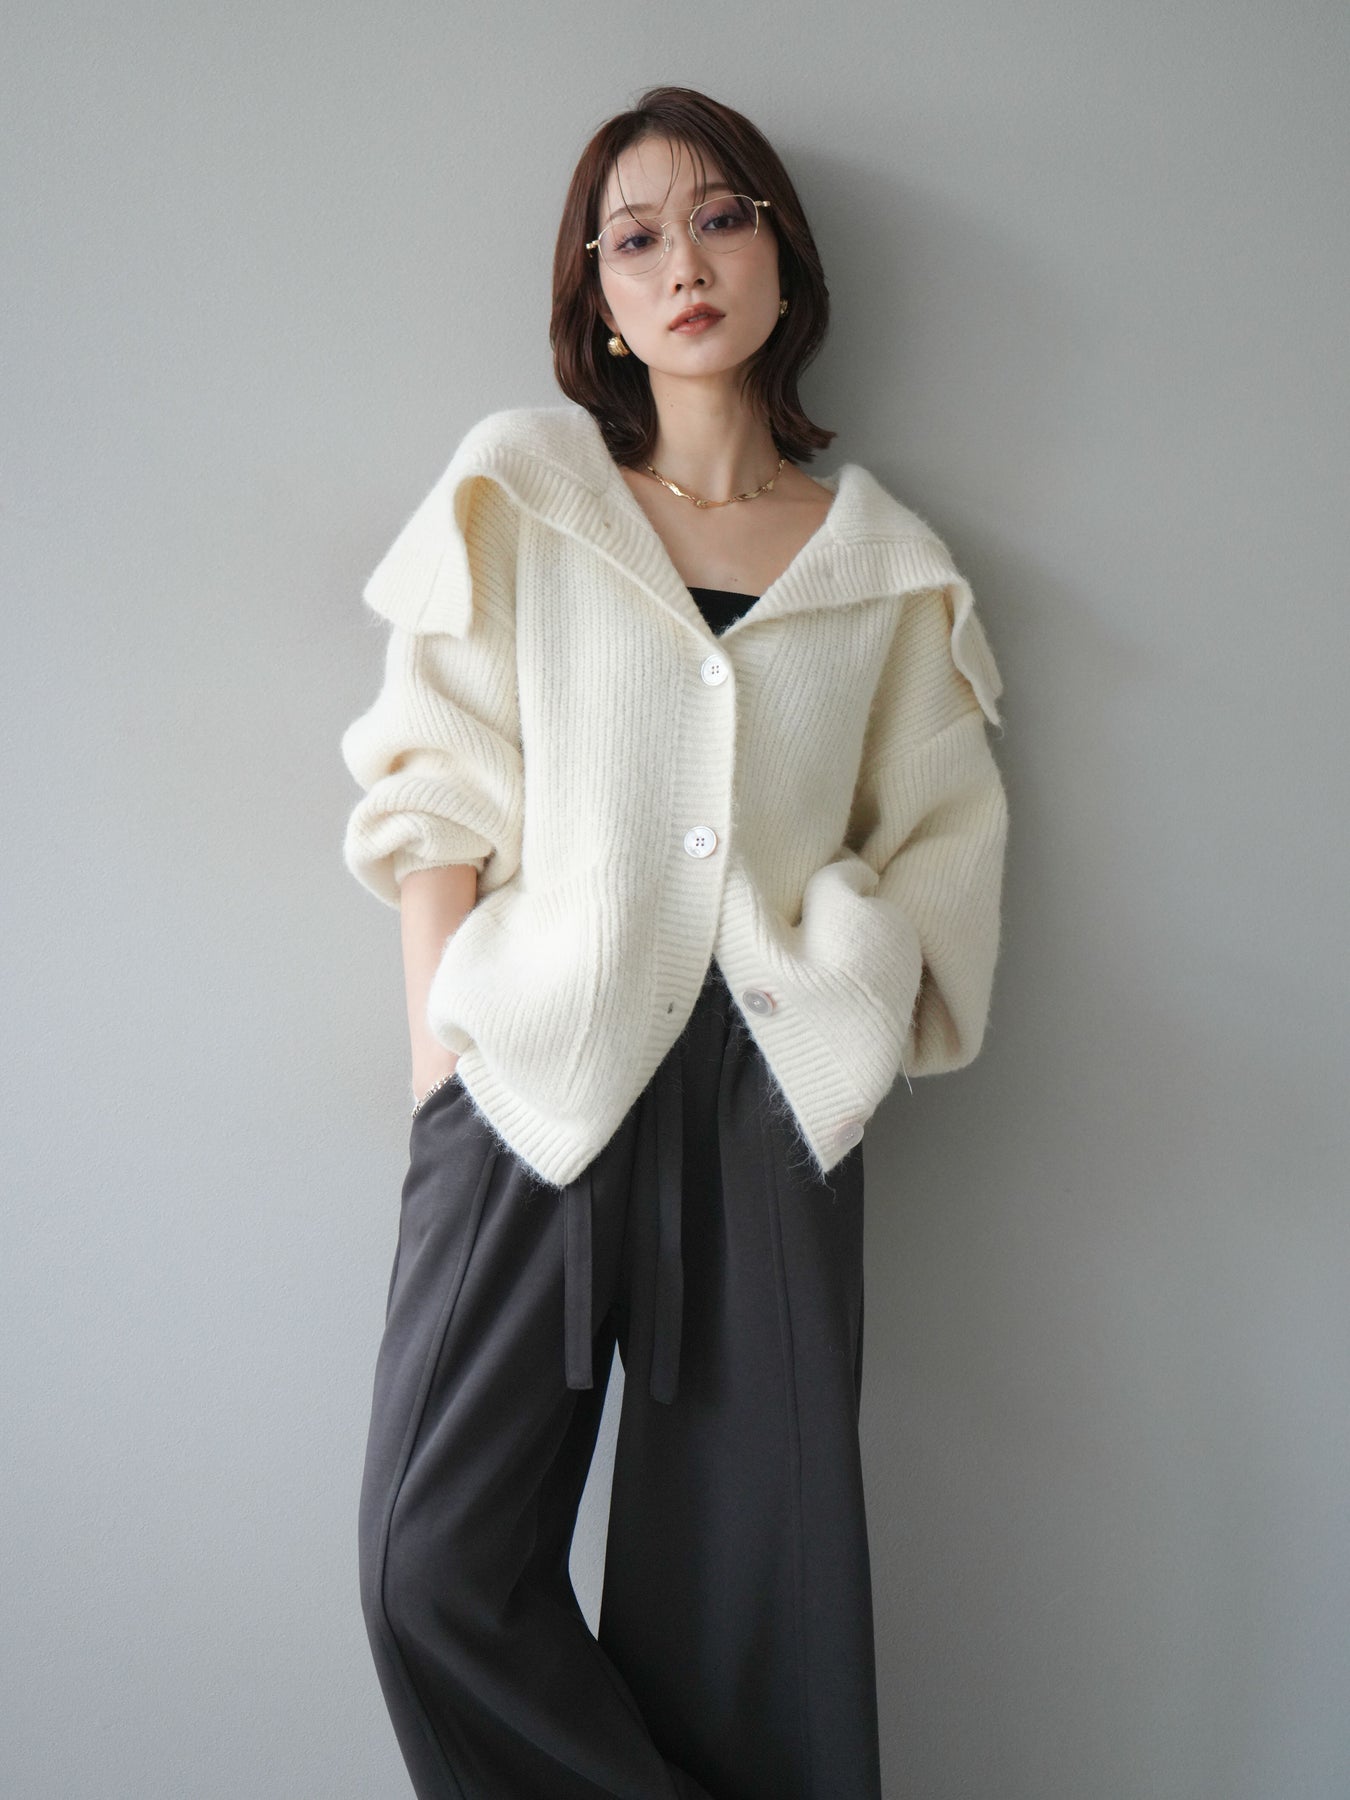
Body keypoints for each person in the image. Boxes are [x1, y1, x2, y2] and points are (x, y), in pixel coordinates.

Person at [340, 84, 1009, 1800]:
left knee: (752, 1625)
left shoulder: (882, 565)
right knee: (429, 1568)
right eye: (634, 239)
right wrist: (437, 1065)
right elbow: (432, 786)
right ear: (598, 296)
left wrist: (850, 984)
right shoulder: (525, 492)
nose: (684, 266)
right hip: (533, 1073)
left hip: (766, 1092)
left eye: (719, 219)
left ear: (781, 255)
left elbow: (944, 838)